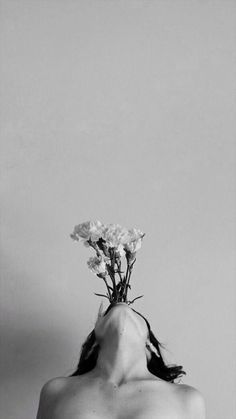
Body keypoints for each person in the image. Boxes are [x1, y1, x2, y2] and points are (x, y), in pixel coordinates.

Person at [36, 302, 206, 419]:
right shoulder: (56, 390)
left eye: (134, 313)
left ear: (149, 345)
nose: (122, 307)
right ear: (95, 341)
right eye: (107, 312)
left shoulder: (186, 398)